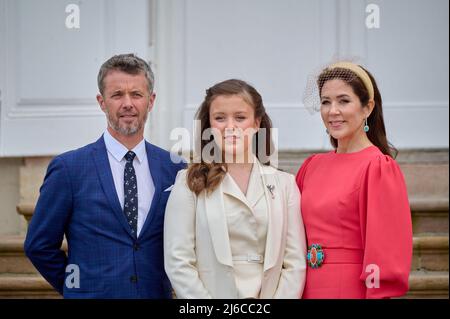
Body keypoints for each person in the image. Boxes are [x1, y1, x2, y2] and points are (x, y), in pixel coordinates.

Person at [24, 53, 185, 298]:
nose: (128, 103)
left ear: (151, 101)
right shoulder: (69, 169)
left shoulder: (173, 168)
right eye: (117, 95)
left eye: (137, 94)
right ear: (102, 102)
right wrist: (76, 287)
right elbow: (39, 246)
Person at [164, 79, 307, 299]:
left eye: (240, 118)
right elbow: (178, 262)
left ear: (257, 123)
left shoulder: (285, 185)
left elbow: (294, 263)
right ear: (209, 125)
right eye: (220, 118)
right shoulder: (188, 183)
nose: (230, 127)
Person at [296, 61, 413, 298]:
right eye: (326, 102)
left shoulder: (378, 167)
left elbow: (386, 249)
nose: (332, 111)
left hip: (349, 288)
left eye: (344, 101)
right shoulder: (311, 166)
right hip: (304, 286)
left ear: (367, 108)